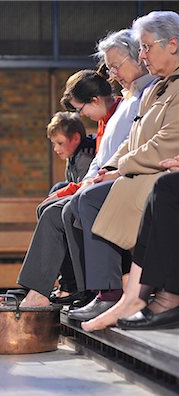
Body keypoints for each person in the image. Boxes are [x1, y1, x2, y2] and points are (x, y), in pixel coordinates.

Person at [17, 28, 155, 308]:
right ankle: (64, 289)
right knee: (60, 206)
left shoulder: (144, 96)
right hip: (114, 175)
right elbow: (111, 153)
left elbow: (134, 147)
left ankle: (91, 290)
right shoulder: (130, 98)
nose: (111, 73)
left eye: (116, 66)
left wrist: (98, 178)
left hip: (133, 178)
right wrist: (87, 181)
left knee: (72, 206)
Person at [69, 10, 179, 322]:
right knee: (82, 201)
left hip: (155, 172)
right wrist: (112, 166)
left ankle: (112, 293)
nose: (142, 56)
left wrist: (122, 168)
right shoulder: (157, 88)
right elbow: (132, 138)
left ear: (172, 44)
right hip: (142, 170)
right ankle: (106, 292)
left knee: (90, 200)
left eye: (146, 47)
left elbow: (168, 143)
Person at [81, 157, 179, 331]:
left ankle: (164, 298)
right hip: (136, 168)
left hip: (144, 168)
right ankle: (132, 298)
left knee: (166, 186)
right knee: (159, 191)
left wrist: (119, 170)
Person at [46, 111, 96, 196]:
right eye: (54, 144)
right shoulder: (71, 154)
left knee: (58, 189)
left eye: (60, 143)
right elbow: (69, 182)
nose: (56, 148)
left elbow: (83, 189)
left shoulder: (85, 157)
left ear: (76, 138)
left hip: (86, 195)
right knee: (59, 187)